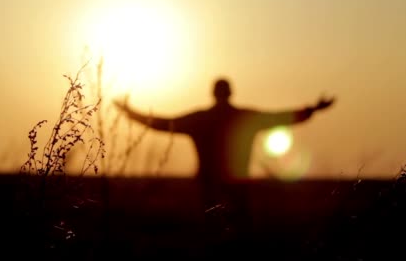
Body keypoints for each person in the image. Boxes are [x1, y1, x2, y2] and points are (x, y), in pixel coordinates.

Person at [114, 78, 335, 207]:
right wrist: (312, 110)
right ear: (230, 93)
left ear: (214, 94)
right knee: (238, 242)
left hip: (210, 188)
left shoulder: (200, 119)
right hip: (237, 188)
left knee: (213, 238)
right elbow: (280, 117)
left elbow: (163, 123)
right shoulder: (243, 118)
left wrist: (130, 113)